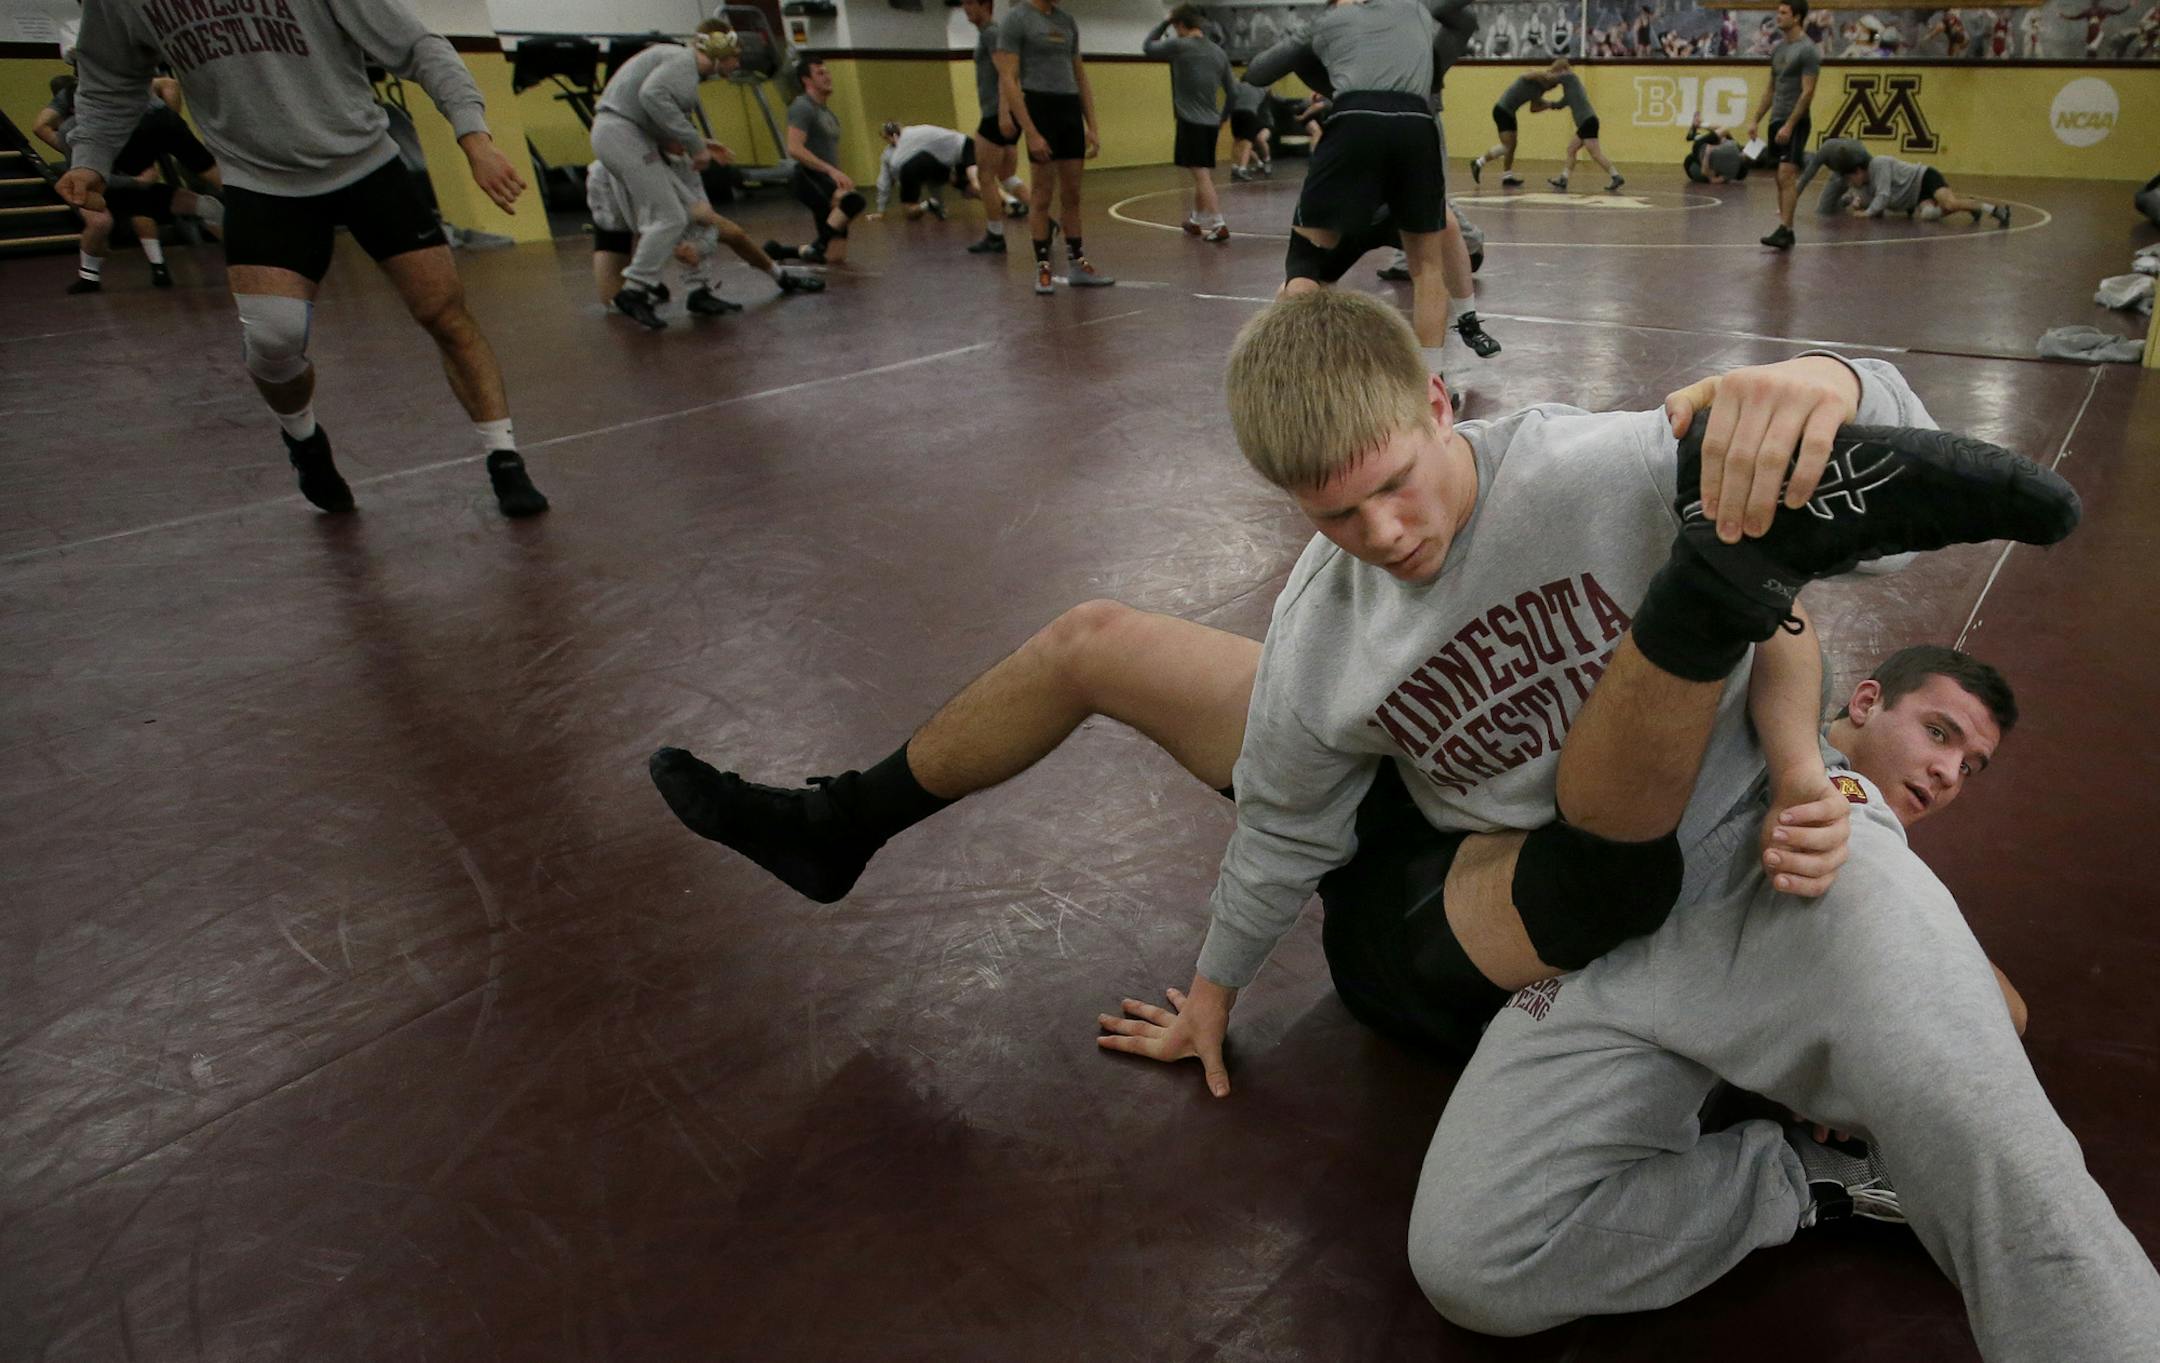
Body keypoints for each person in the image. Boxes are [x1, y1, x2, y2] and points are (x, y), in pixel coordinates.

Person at [648, 287, 2076, 1116]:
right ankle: (843, 821)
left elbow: (1860, 507)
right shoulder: (1326, 621)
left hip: (1548, 849)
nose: (1387, 530)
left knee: (1658, 887)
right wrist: (1212, 995)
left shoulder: (1602, 462)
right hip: (1415, 784)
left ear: (1443, 407)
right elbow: (1279, 817)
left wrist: (1824, 372)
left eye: (1397, 483)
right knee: (1096, 638)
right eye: (1335, 515)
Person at [1408, 638, 2160, 1356]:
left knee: (1995, 1140)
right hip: (1613, 970)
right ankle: (1798, 1168)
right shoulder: (1760, 710)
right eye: (1938, 733)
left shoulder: (1871, 859)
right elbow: (1771, 620)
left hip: (1812, 887)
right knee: (1473, 1266)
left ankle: (1814, 1176)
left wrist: (1843, 1027)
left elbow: (2006, 1015)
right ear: (1866, 701)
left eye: (1971, 766)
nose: (1946, 773)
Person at [60, 0, 547, 520]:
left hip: (366, 163)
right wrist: (90, 160)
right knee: (273, 340)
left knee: (443, 313)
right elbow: (110, 80)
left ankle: (504, 457)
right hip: (260, 182)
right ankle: (304, 438)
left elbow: (419, 47)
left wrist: (475, 139)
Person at [1246, 0, 1459, 376]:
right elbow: (1462, 13)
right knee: (1427, 268)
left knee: (1305, 265)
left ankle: (1286, 377)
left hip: (1354, 121)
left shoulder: (1328, 21)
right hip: (1415, 125)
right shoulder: (1413, 8)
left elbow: (1259, 71)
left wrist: (1319, 67)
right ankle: (1432, 384)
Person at [589, 23, 745, 330]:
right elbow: (652, 95)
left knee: (678, 215)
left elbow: (653, 110)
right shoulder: (682, 63)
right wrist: (696, 146)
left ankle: (642, 288)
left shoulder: (677, 65)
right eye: (734, 57)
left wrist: (698, 143)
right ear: (718, 52)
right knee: (669, 217)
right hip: (621, 135)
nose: (737, 65)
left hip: (625, 133)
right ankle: (633, 291)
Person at [35, 72, 222, 293]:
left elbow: (167, 85)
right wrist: (135, 180)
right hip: (105, 189)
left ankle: (164, 266)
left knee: (208, 207)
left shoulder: (141, 117)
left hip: (131, 182)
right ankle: (89, 276)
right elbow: (92, 176)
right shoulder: (73, 132)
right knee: (100, 221)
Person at [586, 151, 823, 321]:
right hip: (615, 192)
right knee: (614, 303)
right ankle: (645, 282)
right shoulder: (609, 169)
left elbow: (710, 224)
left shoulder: (685, 164)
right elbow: (636, 226)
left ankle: (782, 276)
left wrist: (697, 248)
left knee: (730, 232)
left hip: (663, 185)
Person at [995, 0, 1115, 294]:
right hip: (1040, 106)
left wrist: (1092, 125)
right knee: (1041, 193)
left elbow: (1080, 75)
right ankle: (1044, 267)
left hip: (1068, 108)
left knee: (1072, 194)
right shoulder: (1017, 19)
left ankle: (1078, 264)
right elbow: (1009, 79)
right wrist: (1031, 132)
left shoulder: (1067, 21)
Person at [1144, 4, 1238, 243]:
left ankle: (1219, 223)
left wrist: (1165, 22)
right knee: (1202, 172)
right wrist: (1223, 117)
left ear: (1181, 26)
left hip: (1190, 120)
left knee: (1200, 175)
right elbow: (1233, 92)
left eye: (1175, 28)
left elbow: (1148, 47)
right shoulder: (1219, 53)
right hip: (1211, 122)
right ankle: (1195, 220)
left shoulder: (1180, 46)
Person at [762, 57, 866, 269]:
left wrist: (838, 174)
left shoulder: (827, 113)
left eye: (827, 72)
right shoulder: (802, 107)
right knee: (854, 201)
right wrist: (831, 171)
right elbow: (794, 148)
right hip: (809, 178)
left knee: (834, 257)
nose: (827, 76)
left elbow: (828, 151)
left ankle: (781, 251)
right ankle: (819, 244)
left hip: (826, 178)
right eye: (820, 73)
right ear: (806, 80)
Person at [1746, 0, 1822, 251]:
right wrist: (1756, 119)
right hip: (1776, 119)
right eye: (1778, 12)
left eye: (1783, 13)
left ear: (1797, 17)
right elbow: (1771, 88)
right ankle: (1785, 229)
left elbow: (1808, 92)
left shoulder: (1808, 50)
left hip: (1795, 121)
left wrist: (1790, 124)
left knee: (1786, 174)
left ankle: (1786, 229)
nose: (1778, 17)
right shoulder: (1779, 50)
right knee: (1779, 179)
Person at [960, 0, 1033, 255]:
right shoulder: (990, 33)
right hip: (1004, 113)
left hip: (996, 114)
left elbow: (1007, 74)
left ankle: (995, 236)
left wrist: (1003, 113)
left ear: (985, 5)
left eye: (969, 3)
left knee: (985, 177)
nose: (964, 8)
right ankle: (1045, 221)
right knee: (1006, 175)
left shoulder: (992, 33)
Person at [1846, 155, 2012, 227]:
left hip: (1924, 177)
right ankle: (1969, 205)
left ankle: (1996, 209)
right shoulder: (1865, 185)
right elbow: (1870, 201)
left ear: (1859, 171)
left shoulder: (1878, 163)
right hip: (1917, 195)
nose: (1851, 182)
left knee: (1950, 204)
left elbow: (1883, 196)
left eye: (1850, 178)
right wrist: (1856, 203)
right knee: (1928, 215)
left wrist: (1867, 213)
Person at [1538, 61, 1623, 193]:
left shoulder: (1571, 78)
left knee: (1595, 154)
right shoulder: (1570, 89)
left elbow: (1554, 78)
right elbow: (1559, 104)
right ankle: (1564, 179)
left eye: (1558, 71)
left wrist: (1540, 74)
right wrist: (1546, 104)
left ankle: (1616, 176)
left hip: (1587, 121)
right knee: (1572, 149)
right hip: (1588, 122)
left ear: (1563, 70)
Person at [1469, 63, 1558, 187]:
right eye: (1552, 85)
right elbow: (1526, 74)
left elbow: (1533, 108)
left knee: (1512, 145)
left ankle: (1507, 176)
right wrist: (1546, 74)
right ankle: (1478, 162)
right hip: (1502, 110)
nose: (1551, 88)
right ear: (1547, 79)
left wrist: (1550, 105)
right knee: (1507, 146)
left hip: (1509, 112)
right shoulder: (1533, 77)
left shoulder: (1540, 90)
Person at [869, 121, 976, 221]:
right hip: (928, 169)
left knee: (911, 211)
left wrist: (881, 210)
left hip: (922, 170)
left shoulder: (898, 150)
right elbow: (885, 181)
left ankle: (930, 206)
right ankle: (937, 206)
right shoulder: (896, 150)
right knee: (956, 184)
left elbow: (885, 180)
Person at [1791, 134, 1868, 212]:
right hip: (1839, 173)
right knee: (1823, 210)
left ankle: (1855, 198)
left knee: (1867, 203)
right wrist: (1791, 202)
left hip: (1858, 174)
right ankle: (1847, 199)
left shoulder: (1860, 153)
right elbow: (1806, 177)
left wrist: (1859, 195)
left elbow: (1872, 172)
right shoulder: (1825, 151)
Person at [1227, 76, 1273, 182]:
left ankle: (1235, 166)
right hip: (1249, 114)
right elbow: (1269, 89)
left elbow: (1230, 97)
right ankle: (1242, 168)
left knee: (1237, 141)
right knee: (1248, 143)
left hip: (1235, 114)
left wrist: (1225, 115)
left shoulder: (1238, 86)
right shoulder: (1261, 88)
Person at [1682, 114, 1749, 185]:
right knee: (1721, 136)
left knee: (1723, 131)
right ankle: (1696, 134)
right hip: (1699, 156)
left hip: (1700, 150)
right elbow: (1710, 177)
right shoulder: (1730, 174)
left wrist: (1708, 153)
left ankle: (1699, 128)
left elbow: (1722, 135)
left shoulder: (1734, 147)